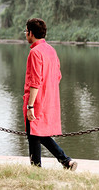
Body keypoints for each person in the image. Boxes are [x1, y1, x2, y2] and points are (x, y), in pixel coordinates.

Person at [23, 18, 77, 170]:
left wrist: (30, 106)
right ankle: (66, 161)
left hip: (37, 101)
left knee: (34, 135)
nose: (25, 34)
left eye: (26, 31)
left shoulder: (35, 52)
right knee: (40, 134)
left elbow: (35, 82)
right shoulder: (51, 50)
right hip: (49, 100)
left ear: (31, 33)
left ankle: (36, 170)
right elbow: (57, 76)